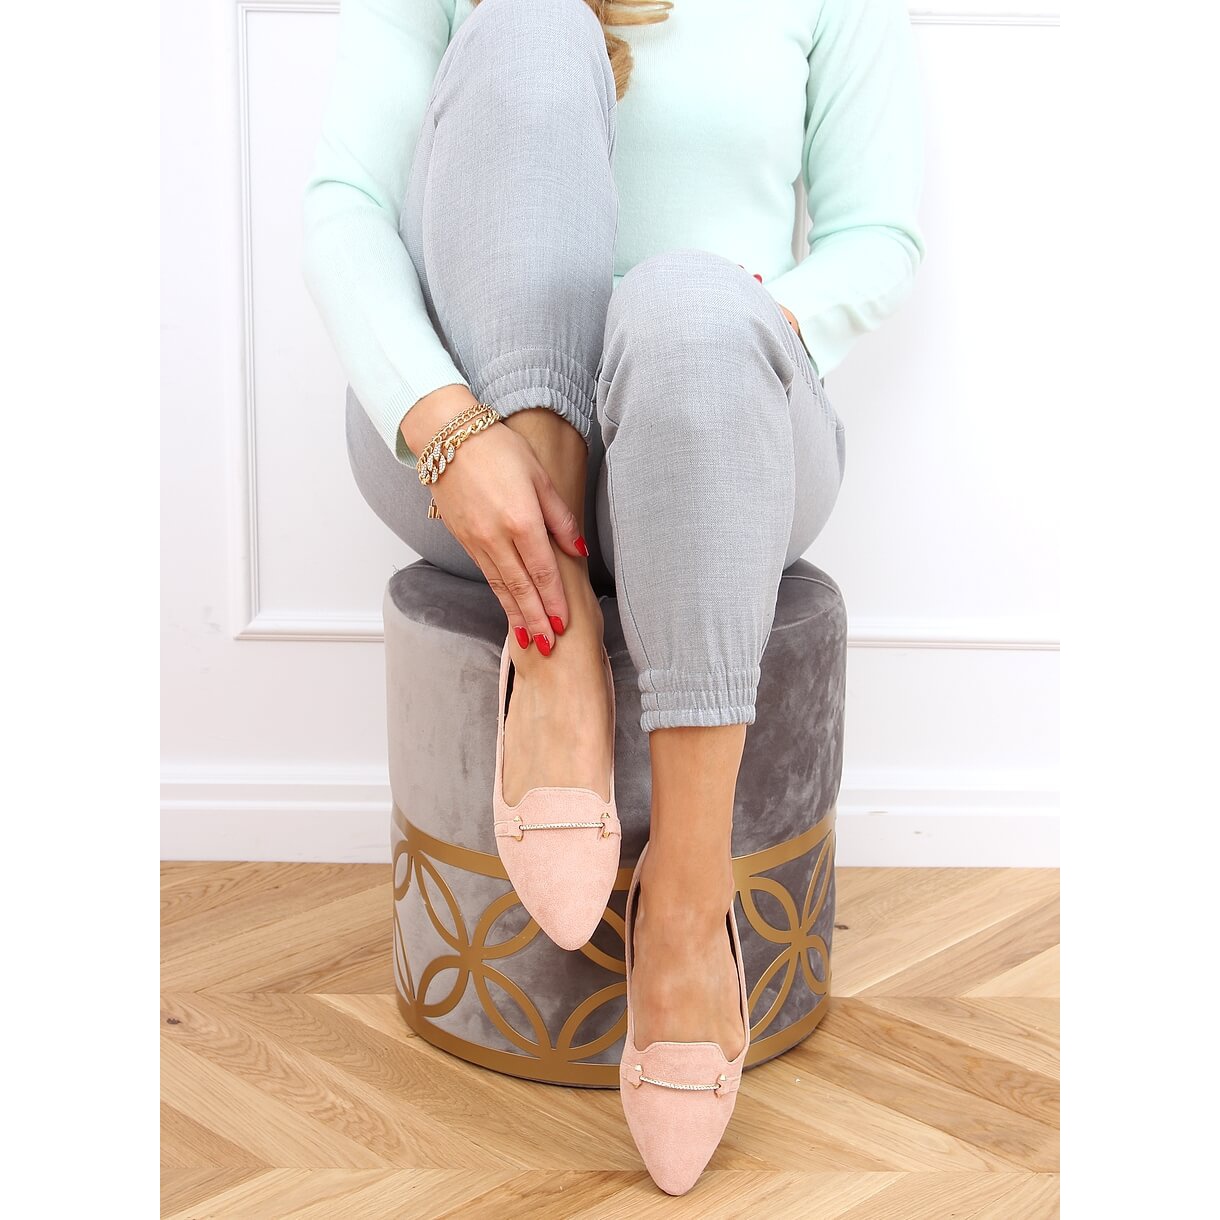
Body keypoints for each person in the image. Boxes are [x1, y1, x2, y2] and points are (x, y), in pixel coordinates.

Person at [303, 0, 924, 1195]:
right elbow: (344, 204)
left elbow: (876, 236)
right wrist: (445, 420)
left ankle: (685, 896)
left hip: (720, 435)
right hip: (464, 443)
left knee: (688, 302)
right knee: (529, 24)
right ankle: (555, 640)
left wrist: (731, 340)